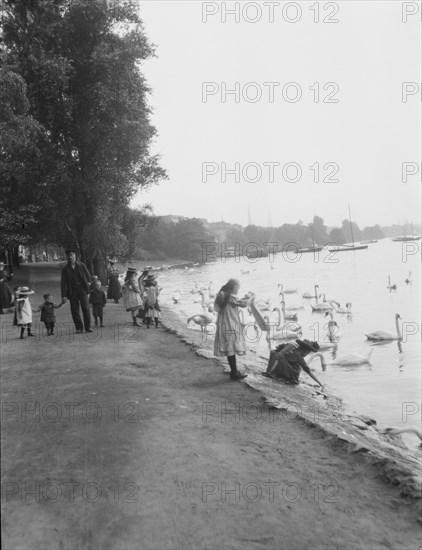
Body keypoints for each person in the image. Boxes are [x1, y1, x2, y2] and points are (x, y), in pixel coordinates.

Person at [213, 278, 254, 380]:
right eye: (237, 287)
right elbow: (243, 304)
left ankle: (234, 371)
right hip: (229, 323)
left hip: (223, 322)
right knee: (231, 347)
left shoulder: (224, 294)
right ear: (234, 286)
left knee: (229, 347)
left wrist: (245, 297)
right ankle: (234, 373)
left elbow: (236, 301)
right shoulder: (229, 296)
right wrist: (251, 298)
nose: (238, 289)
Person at [61, 249, 92, 333]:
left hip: (82, 290)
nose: (71, 257)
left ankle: (88, 327)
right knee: (74, 310)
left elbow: (88, 275)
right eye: (69, 256)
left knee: (86, 308)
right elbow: (63, 283)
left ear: (75, 257)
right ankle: (79, 328)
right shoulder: (65, 269)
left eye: (72, 256)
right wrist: (63, 295)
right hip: (72, 291)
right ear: (67, 257)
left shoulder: (81, 265)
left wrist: (88, 284)